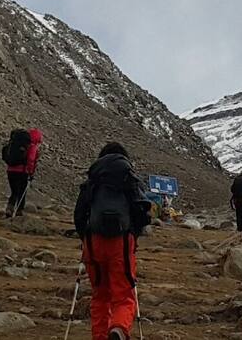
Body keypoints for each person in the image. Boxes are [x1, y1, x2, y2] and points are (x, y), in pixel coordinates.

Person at [74, 142, 151, 340]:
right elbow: (142, 212)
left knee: (100, 295)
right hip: (121, 243)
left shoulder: (93, 179)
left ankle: (100, 336)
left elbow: (79, 214)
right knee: (123, 294)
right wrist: (134, 234)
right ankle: (118, 328)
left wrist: (85, 239)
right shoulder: (128, 178)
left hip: (94, 242)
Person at [2, 128, 43, 217]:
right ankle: (19, 212)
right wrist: (30, 172)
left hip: (10, 170)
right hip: (22, 172)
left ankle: (9, 208)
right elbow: (31, 160)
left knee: (14, 192)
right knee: (22, 192)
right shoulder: (32, 146)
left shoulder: (15, 143)